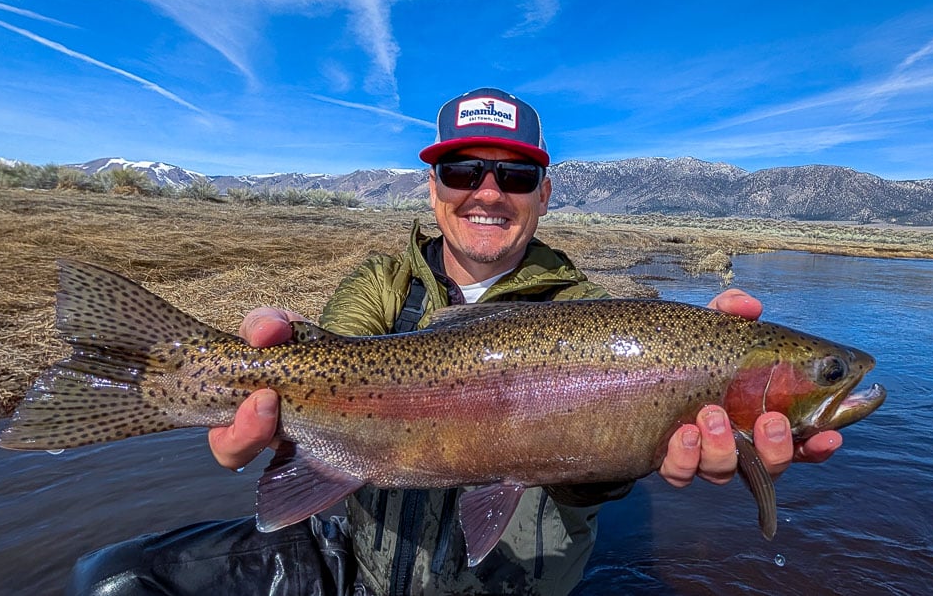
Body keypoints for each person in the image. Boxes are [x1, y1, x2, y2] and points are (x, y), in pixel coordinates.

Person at [68, 88, 842, 595]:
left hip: (513, 581)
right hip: (368, 565)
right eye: (465, 169)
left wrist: (612, 464)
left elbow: (593, 480)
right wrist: (256, 421)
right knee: (110, 579)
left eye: (512, 176)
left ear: (545, 191)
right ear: (432, 185)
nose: (486, 192)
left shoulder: (586, 308)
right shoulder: (380, 284)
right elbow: (324, 364)